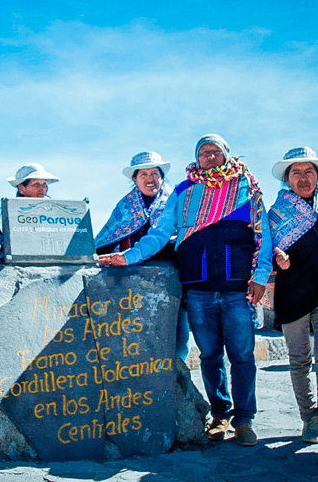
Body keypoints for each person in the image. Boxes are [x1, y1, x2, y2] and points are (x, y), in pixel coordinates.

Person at [99, 134, 271, 447]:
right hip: (198, 289)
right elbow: (160, 233)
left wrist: (260, 275)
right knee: (209, 355)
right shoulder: (184, 191)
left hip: (237, 288)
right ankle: (220, 415)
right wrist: (129, 256)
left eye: (215, 151)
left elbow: (264, 235)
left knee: (243, 355)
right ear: (196, 157)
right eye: (203, 152)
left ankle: (244, 419)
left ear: (226, 156)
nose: (209, 156)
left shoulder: (248, 187)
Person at [268, 147, 318, 444]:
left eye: (309, 171)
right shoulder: (275, 213)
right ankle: (308, 418)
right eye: (296, 172)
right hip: (292, 294)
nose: (303, 177)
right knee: (299, 360)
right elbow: (266, 247)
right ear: (287, 178)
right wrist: (277, 258)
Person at [94, 151, 189, 361]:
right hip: (134, 284)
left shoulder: (178, 202)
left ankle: (178, 383)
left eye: (154, 173)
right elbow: (107, 238)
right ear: (134, 179)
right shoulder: (125, 207)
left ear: (162, 176)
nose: (150, 179)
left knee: (177, 335)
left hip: (174, 280)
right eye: (143, 174)